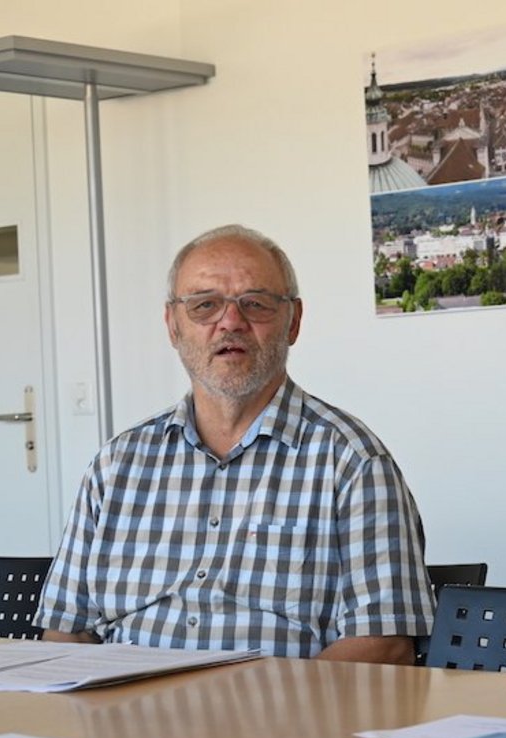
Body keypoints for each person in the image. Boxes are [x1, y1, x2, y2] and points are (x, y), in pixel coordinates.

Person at [35, 224, 433, 664]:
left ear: (293, 321)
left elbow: (385, 644)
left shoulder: (353, 463)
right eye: (204, 305)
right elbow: (66, 631)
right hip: (123, 719)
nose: (230, 322)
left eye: (255, 304)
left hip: (278, 722)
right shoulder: (116, 466)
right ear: (172, 325)